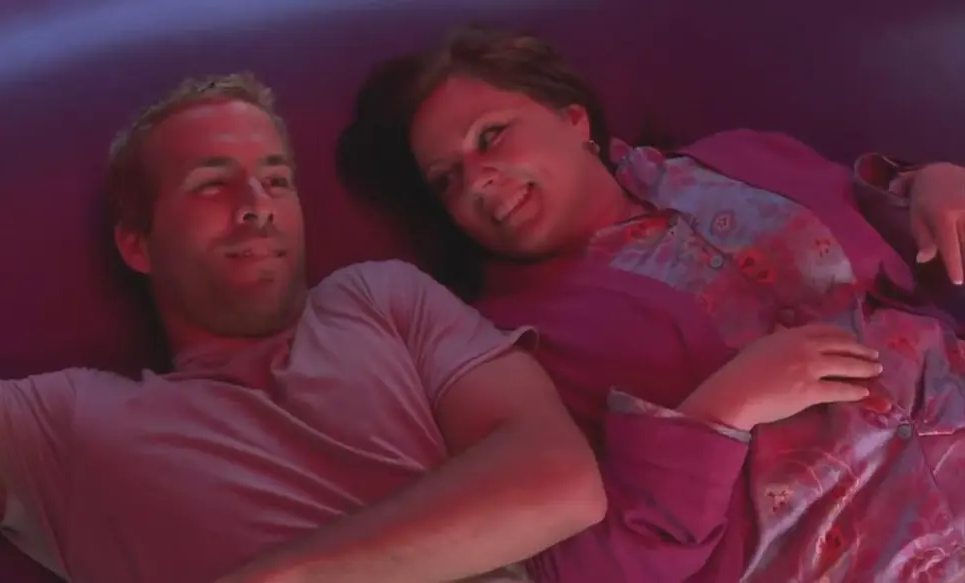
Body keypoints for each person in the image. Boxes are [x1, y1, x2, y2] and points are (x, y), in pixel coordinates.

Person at [0, 13, 610, 583]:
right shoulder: (64, 429)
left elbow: (561, 481)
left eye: (276, 178)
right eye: (211, 183)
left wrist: (285, 577)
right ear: (138, 245)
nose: (258, 203)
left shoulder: (383, 298)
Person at [338, 23, 965, 583]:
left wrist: (927, 184)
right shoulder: (505, 347)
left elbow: (911, 248)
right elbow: (588, 568)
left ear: (573, 120)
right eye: (447, 179)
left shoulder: (744, 156)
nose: (477, 181)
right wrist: (721, 410)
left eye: (491, 136)